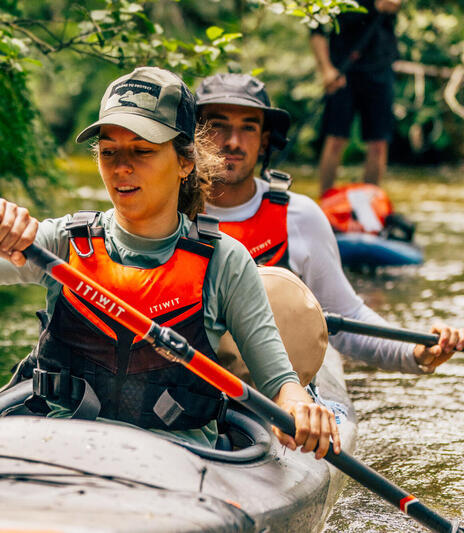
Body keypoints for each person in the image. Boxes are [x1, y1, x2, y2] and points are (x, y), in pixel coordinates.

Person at [0, 66, 340, 458]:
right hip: (62, 449)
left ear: (185, 162)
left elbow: (281, 384)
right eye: (108, 151)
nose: (121, 167)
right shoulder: (64, 242)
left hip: (180, 465)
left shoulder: (224, 262)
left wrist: (300, 408)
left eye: (142, 151)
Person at [194, 72, 464, 375]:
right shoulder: (167, 215)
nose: (233, 142)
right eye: (218, 126)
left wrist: (415, 353)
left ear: (264, 141)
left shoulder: (300, 216)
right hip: (199, 390)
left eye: (248, 127)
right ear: (195, 135)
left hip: (282, 391)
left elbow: (346, 317)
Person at [310, 0, 402, 196]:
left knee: (378, 142)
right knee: (335, 138)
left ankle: (371, 203)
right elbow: (317, 30)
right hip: (342, 71)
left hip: (380, 69)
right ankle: (325, 202)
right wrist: (326, 69)